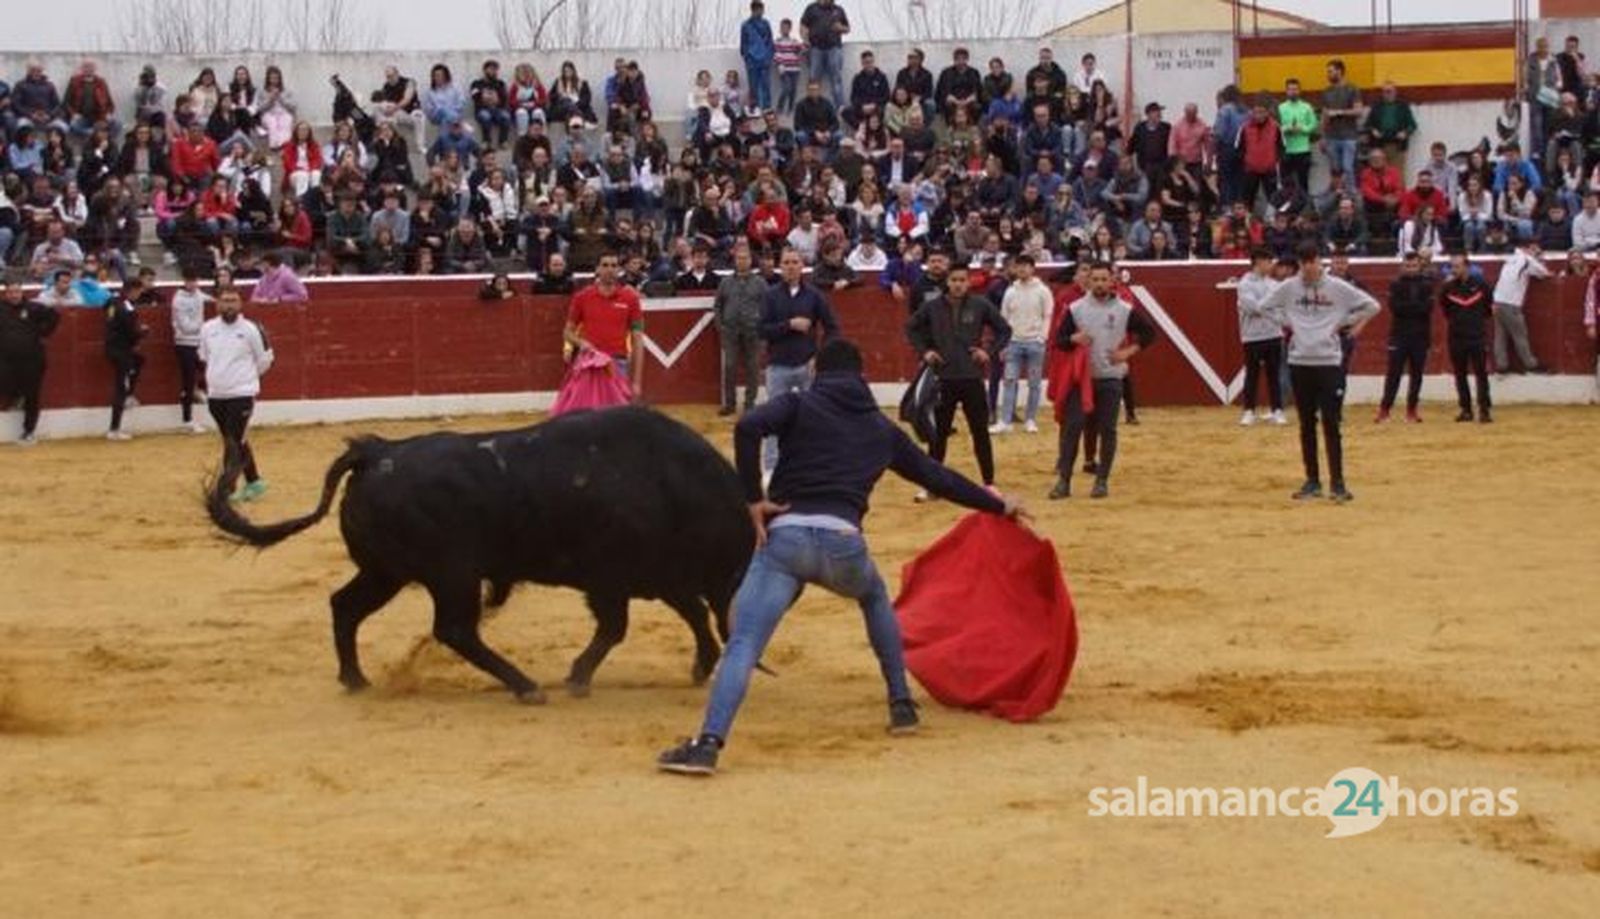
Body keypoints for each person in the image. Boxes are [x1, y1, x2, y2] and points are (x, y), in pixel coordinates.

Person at [656, 338, 1029, 776]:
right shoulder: (880, 429)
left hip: (786, 543)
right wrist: (996, 505)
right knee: (873, 597)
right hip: (844, 544)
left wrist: (752, 500)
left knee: (743, 642)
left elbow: (746, 427)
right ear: (862, 376)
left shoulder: (797, 405)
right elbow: (937, 476)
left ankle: (708, 746)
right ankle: (901, 703)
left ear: (816, 369)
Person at [1259, 243, 1381, 503]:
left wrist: (1343, 322)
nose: (1306, 269)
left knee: (1331, 423)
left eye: (1310, 263)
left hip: (1328, 362)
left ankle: (1337, 483)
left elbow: (1372, 306)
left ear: (1318, 261)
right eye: (1302, 265)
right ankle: (1312, 481)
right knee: (1306, 424)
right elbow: (1264, 307)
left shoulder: (1337, 287)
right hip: (1300, 361)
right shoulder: (1290, 286)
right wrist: (1288, 322)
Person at [1048, 261, 1157, 500]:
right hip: (1080, 380)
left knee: (1108, 430)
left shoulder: (1124, 309)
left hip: (1110, 378)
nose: (1099, 283)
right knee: (1072, 427)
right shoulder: (1076, 308)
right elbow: (1059, 340)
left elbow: (1150, 332)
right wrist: (1074, 338)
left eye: (1103, 279)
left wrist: (1127, 353)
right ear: (1089, 281)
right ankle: (1064, 481)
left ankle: (1101, 481)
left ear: (1112, 281)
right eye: (1095, 279)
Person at [906, 263, 1010, 499]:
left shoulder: (980, 304)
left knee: (980, 432)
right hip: (943, 378)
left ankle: (989, 482)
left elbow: (1004, 330)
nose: (958, 284)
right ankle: (933, 485)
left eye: (962, 280)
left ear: (968, 282)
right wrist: (925, 351)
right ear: (947, 282)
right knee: (938, 434)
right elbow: (911, 328)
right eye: (954, 280)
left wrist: (989, 352)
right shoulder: (932, 307)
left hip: (972, 377)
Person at [200, 288, 274, 502]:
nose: (229, 305)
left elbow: (265, 360)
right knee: (234, 440)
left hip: (241, 392)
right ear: (218, 304)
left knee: (233, 440)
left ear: (240, 304)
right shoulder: (208, 329)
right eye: (225, 301)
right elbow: (205, 357)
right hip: (216, 394)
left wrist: (247, 380)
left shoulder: (251, 329)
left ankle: (226, 488)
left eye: (233, 301)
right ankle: (254, 481)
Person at [563, 252, 645, 398]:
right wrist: (581, 342)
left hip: (618, 363)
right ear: (597, 269)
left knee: (615, 415)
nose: (609, 269)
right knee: (590, 412)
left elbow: (637, 339)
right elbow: (567, 333)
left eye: (614, 265)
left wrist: (637, 382)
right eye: (605, 265)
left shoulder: (631, 299)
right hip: (590, 363)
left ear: (619, 270)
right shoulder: (582, 297)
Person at [1376, 250, 1437, 424]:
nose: (1411, 269)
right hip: (1400, 335)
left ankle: (1411, 410)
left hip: (1419, 336)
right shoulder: (1396, 285)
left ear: (1419, 266)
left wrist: (1409, 308)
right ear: (1402, 266)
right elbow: (1396, 308)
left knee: (1416, 375)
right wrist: (1415, 308)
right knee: (1393, 374)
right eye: (1408, 266)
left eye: (1414, 266)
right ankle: (1385, 409)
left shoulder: (1426, 285)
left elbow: (1427, 308)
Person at [992, 254, 1050, 434]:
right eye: (1019, 266)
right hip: (1014, 342)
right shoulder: (1011, 291)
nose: (1022, 270)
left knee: (1034, 383)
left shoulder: (1042, 291)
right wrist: (1004, 343)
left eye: (1026, 266)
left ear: (1033, 268)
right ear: (1015, 269)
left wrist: (1042, 338)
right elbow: (1004, 317)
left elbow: (1047, 315)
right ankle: (1005, 420)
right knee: (1010, 381)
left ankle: (1030, 419)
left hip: (1035, 342)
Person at [0, 280, 60, 446]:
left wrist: (44, 332)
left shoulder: (33, 307)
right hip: (6, 360)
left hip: (32, 359)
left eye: (17, 292)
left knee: (32, 395)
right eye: (10, 292)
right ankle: (17, 395)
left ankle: (29, 431)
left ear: (22, 292)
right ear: (6, 293)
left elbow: (55, 316)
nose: (14, 295)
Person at [1440, 252, 1495, 423]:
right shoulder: (1447, 288)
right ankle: (1466, 409)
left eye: (1457, 266)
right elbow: (1446, 311)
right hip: (1457, 336)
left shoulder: (1482, 285)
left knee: (1481, 374)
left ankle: (1484, 410)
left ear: (1467, 267)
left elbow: (1488, 310)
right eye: (1452, 266)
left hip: (1476, 335)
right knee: (1460, 374)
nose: (1454, 270)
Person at [714, 243, 768, 416]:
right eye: (739, 258)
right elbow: (718, 306)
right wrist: (720, 326)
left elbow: (767, 306)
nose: (742, 261)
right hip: (730, 331)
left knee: (753, 367)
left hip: (753, 331)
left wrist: (763, 329)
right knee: (729, 366)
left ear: (751, 261)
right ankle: (730, 403)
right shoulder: (725, 282)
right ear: (735, 261)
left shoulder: (760, 283)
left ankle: (749, 403)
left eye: (745, 258)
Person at [1236, 248, 1287, 426]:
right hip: (1252, 336)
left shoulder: (1274, 284)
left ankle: (1277, 410)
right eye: (1268, 261)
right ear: (1258, 262)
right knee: (1252, 374)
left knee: (1274, 375)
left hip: (1273, 334)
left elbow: (1279, 307)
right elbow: (1251, 307)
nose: (1271, 265)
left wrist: (1265, 307)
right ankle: (1249, 410)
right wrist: (1269, 307)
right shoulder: (1245, 284)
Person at [1490, 241, 1553, 374]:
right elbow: (1544, 273)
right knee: (1520, 335)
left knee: (1500, 336)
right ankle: (1531, 365)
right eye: (1534, 249)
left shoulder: (1510, 259)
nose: (1535, 251)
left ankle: (1502, 366)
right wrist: (1540, 258)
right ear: (1527, 248)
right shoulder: (1526, 259)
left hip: (1497, 301)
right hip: (1511, 304)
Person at [104, 278, 148, 441]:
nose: (139, 295)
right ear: (132, 291)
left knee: (139, 360)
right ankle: (114, 429)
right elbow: (132, 332)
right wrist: (143, 331)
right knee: (120, 388)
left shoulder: (113, 302)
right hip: (121, 351)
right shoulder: (127, 308)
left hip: (113, 348)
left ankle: (129, 394)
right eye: (138, 292)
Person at [172, 270, 212, 434]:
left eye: (195, 280)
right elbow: (185, 327)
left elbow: (209, 300)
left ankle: (197, 390)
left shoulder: (198, 294)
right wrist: (204, 326)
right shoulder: (178, 300)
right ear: (184, 281)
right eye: (190, 281)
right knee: (187, 381)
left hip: (198, 343)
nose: (193, 284)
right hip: (184, 344)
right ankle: (187, 420)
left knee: (209, 370)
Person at [799, 0, 850, 108]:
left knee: (836, 79)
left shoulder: (838, 10)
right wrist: (805, 40)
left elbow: (847, 28)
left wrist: (840, 28)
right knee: (814, 79)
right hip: (816, 49)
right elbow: (803, 26)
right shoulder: (812, 8)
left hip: (834, 48)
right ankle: (812, 107)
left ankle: (840, 108)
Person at [740, 2, 776, 111]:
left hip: (764, 59)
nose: (760, 12)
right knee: (753, 86)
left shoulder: (766, 24)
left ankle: (767, 108)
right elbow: (743, 43)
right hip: (752, 60)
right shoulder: (746, 25)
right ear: (753, 10)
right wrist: (747, 57)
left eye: (762, 10)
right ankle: (754, 108)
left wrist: (769, 56)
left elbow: (770, 41)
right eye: (758, 10)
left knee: (766, 85)